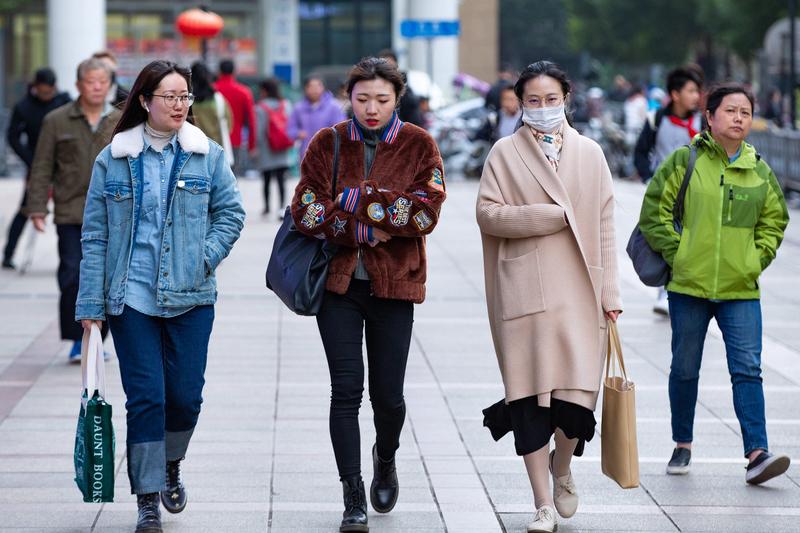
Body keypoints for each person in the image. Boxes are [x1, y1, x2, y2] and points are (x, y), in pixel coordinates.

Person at [76, 60, 245, 533]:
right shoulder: (114, 158)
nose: (179, 105)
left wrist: (202, 258)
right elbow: (94, 235)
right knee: (146, 397)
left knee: (186, 397)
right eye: (169, 96)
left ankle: (171, 463)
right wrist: (90, 308)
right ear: (145, 101)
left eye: (185, 97)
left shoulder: (205, 154)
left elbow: (230, 214)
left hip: (191, 296)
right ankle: (147, 497)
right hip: (130, 299)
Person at [290, 56, 445, 532]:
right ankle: (352, 493)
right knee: (345, 391)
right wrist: (361, 231)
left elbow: (426, 214)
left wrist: (362, 201)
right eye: (362, 99)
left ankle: (386, 456)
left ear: (398, 98)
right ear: (348, 98)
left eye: (381, 99)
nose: (371, 109)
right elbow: (307, 211)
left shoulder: (419, 144)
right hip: (338, 286)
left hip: (394, 287)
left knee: (389, 396)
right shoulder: (328, 142)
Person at [477, 61, 622, 533]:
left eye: (551, 100)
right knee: (528, 399)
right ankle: (541, 503)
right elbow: (488, 215)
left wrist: (611, 292)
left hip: (582, 289)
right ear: (520, 103)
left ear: (567, 100)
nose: (542, 109)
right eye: (533, 101)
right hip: (526, 290)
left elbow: (603, 225)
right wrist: (546, 215)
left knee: (574, 405)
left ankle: (563, 467)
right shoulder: (504, 152)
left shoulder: (590, 153)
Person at [638, 83, 790, 485]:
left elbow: (775, 220)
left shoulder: (759, 170)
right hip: (689, 287)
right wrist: (680, 255)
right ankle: (682, 443)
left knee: (747, 369)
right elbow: (654, 211)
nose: (738, 118)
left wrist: (755, 260)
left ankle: (757, 452)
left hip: (740, 290)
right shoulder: (683, 160)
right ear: (709, 117)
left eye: (745, 112)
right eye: (730, 111)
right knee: (685, 368)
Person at [24, 57, 121, 362]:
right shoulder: (57, 119)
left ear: (109, 85)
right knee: (72, 275)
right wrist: (37, 207)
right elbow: (42, 166)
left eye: (102, 82)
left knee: (106, 278)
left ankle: (98, 339)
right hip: (71, 212)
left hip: (112, 213)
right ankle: (78, 338)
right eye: (90, 81)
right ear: (78, 85)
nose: (96, 87)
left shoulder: (120, 119)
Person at [633, 66, 703, 316]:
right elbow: (641, 151)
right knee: (663, 236)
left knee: (690, 237)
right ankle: (664, 289)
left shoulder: (703, 121)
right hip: (663, 193)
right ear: (675, 94)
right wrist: (649, 178)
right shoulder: (657, 118)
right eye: (691, 90)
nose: (696, 96)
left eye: (698, 91)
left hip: (696, 192)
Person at [2, 67, 71, 270]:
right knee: (27, 208)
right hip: (36, 163)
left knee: (68, 210)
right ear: (36, 87)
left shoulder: (64, 102)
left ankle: (70, 259)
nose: (46, 95)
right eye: (43, 91)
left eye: (49, 91)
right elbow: (12, 137)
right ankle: (8, 254)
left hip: (63, 164)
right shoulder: (24, 106)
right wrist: (30, 161)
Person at [255, 77, 292, 216]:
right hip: (282, 147)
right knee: (282, 179)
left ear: (264, 90)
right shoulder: (286, 104)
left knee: (266, 179)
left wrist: (256, 146)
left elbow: (259, 130)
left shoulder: (260, 107)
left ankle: (267, 207)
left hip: (267, 149)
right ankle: (282, 206)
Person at [287, 75, 346, 162]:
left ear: (323, 87)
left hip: (329, 154)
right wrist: (298, 133)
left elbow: (342, 128)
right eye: (311, 86)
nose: (315, 90)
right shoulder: (299, 108)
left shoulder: (334, 106)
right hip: (306, 154)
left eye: (318, 86)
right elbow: (290, 129)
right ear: (305, 88)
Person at [215, 58, 257, 171]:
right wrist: (252, 145)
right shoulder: (244, 92)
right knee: (232, 178)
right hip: (235, 140)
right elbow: (251, 121)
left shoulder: (212, 90)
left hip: (213, 139)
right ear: (234, 72)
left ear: (219, 72)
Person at [189, 61, 234, 163]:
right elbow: (228, 125)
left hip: (192, 150)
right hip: (215, 150)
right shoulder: (218, 99)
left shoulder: (186, 101)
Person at [376, 49, 425, 127]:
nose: (387, 71)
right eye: (384, 67)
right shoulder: (371, 88)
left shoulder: (405, 92)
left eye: (391, 66)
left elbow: (414, 120)